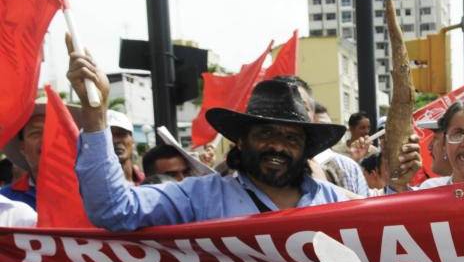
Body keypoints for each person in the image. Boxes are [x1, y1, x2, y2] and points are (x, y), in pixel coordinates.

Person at [67, 37, 354, 231]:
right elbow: (112, 210)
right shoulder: (199, 199)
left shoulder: (341, 206)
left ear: (305, 148)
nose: (278, 146)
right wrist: (95, 112)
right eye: (266, 133)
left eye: (292, 138)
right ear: (240, 140)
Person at [0, 100, 81, 209]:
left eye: (55, 131)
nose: (46, 139)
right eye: (36, 133)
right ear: (22, 147)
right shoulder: (5, 203)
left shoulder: (94, 196)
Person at [108, 109, 144, 185]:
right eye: (108, 136)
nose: (115, 141)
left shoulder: (147, 182)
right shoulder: (93, 186)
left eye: (121, 134)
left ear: (132, 139)